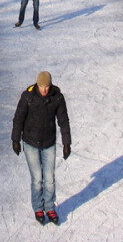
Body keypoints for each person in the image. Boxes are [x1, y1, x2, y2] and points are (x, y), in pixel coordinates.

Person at [11, 70, 71, 225]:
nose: (44, 90)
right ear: (38, 85)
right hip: (31, 143)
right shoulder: (28, 97)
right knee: (37, 179)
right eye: (42, 86)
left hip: (49, 143)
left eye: (47, 87)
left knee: (49, 179)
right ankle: (38, 207)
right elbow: (18, 118)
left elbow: (63, 121)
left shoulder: (57, 97)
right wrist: (15, 139)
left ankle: (50, 207)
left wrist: (66, 143)